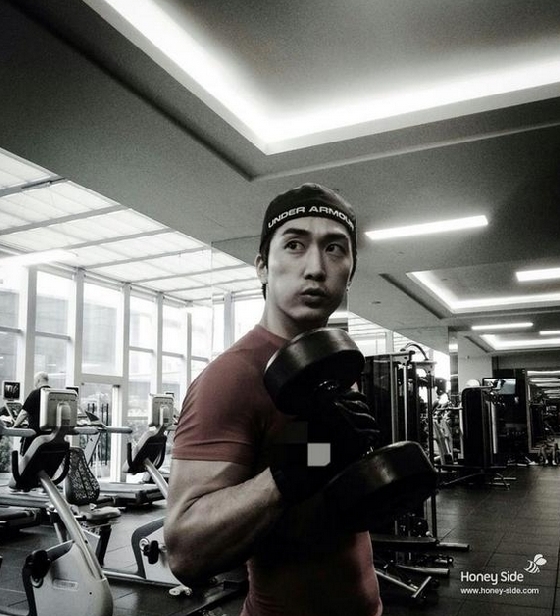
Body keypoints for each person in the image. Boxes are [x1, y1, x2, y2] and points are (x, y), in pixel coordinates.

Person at [165, 184, 382, 616]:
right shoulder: (232, 377)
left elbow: (322, 478)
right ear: (262, 267)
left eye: (335, 248)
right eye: (295, 245)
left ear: (351, 272)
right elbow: (184, 551)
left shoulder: (335, 365)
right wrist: (291, 472)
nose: (316, 268)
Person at [13, 371, 50, 453]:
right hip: (50, 436)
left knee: (26, 458)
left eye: (35, 381)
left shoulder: (35, 393)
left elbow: (24, 413)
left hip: (34, 435)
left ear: (38, 380)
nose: (35, 384)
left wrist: (14, 425)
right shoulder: (53, 393)